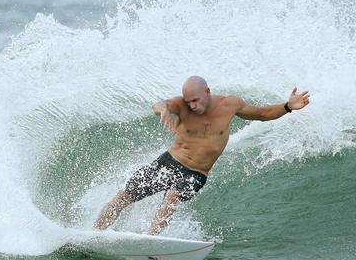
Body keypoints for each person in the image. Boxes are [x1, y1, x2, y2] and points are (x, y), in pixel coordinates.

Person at [93, 75, 310, 235]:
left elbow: (262, 114)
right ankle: (95, 234)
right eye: (189, 102)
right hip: (169, 162)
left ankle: (150, 241)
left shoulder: (229, 104)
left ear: (207, 92)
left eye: (196, 100)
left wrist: (287, 106)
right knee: (126, 194)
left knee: (173, 196)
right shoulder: (181, 104)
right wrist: (162, 110)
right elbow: (160, 104)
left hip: (196, 173)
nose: (192, 106)